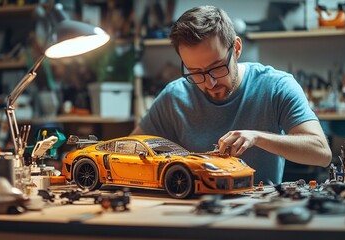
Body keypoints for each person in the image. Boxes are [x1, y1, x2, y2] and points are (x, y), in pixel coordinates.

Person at [130, 5, 332, 184]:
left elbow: (321, 153)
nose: (210, 83)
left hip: (257, 212)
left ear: (236, 48)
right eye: (196, 72)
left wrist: (257, 137)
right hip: (191, 211)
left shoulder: (276, 86)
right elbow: (130, 150)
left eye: (216, 68)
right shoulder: (174, 96)